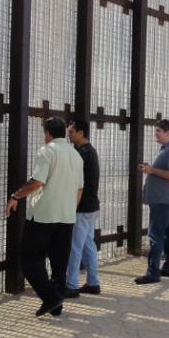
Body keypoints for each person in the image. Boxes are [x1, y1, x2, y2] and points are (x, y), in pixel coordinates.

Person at [5, 117, 83, 316]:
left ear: (47, 134)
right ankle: (56, 304)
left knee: (29, 258)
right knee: (59, 263)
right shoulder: (76, 155)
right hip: (66, 216)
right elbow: (80, 189)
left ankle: (51, 298)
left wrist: (16, 196)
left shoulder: (47, 151)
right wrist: (69, 207)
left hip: (43, 215)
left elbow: (36, 182)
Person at [134, 119, 169, 284]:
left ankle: (153, 273)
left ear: (168, 133)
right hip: (163, 200)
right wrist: (151, 169)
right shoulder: (167, 150)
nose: (155, 134)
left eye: (158, 131)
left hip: (164, 200)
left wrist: (152, 170)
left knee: (155, 235)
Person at [63, 119, 101, 298]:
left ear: (80, 132)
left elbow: (75, 182)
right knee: (87, 244)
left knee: (74, 246)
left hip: (82, 207)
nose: (68, 135)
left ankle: (71, 285)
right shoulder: (89, 151)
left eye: (71, 132)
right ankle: (93, 283)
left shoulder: (81, 153)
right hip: (91, 206)